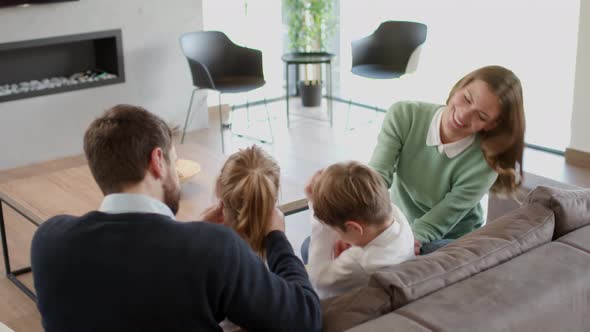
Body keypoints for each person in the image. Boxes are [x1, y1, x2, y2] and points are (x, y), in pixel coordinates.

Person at [30, 104, 321, 332]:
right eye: (173, 158)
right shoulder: (213, 249)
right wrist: (277, 237)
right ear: (158, 162)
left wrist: (190, 236)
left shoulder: (48, 241)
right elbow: (304, 318)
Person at [369, 65, 525, 254]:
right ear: (460, 86)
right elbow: (376, 179)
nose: (464, 115)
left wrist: (400, 243)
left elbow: (432, 226)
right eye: (467, 99)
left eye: (481, 116)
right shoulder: (404, 115)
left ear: (492, 125)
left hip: (452, 239)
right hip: (397, 224)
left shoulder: (486, 164)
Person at [305, 161, 415, 299]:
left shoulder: (360, 262)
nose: (336, 234)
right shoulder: (395, 215)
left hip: (352, 303)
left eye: (336, 231)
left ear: (354, 227)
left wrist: (317, 214)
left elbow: (318, 279)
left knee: (308, 249)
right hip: (392, 277)